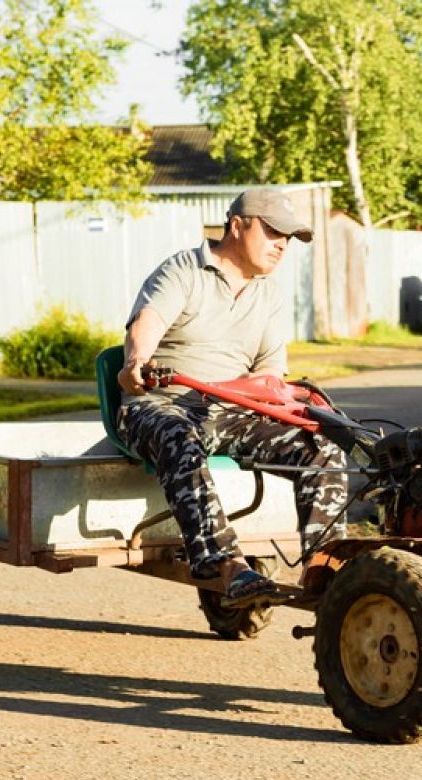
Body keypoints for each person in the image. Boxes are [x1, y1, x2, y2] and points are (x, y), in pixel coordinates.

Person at [116, 188, 347, 606]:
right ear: (237, 226)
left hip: (232, 411)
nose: (282, 244)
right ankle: (226, 566)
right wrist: (136, 363)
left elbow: (270, 373)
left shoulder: (268, 295)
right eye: (274, 231)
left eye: (289, 237)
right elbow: (144, 328)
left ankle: (329, 576)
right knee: (178, 438)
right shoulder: (184, 269)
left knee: (324, 448)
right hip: (161, 404)